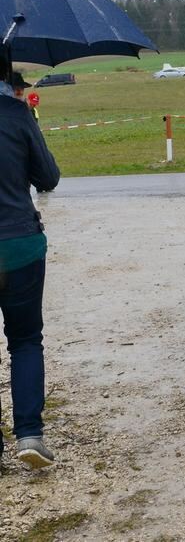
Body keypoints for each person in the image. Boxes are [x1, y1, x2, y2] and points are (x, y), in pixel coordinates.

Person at [0, 58, 61, 470]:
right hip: (19, 244)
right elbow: (49, 176)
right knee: (24, 340)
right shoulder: (17, 115)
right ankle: (29, 435)